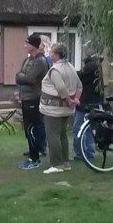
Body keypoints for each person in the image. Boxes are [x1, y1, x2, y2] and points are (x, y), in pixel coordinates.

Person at [40, 42, 82, 174]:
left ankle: (56, 164)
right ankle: (65, 162)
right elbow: (79, 85)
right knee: (62, 135)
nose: (49, 54)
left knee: (53, 136)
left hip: (54, 109)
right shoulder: (70, 67)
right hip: (66, 109)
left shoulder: (55, 70)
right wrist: (76, 99)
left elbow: (61, 88)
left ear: (57, 54)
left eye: (51, 52)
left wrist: (70, 101)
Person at [14, 33, 49, 170]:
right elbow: (19, 76)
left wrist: (22, 77)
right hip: (26, 97)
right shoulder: (28, 60)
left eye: (26, 43)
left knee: (33, 128)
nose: (24, 46)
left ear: (33, 46)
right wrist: (22, 77)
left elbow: (29, 79)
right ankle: (33, 155)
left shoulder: (40, 61)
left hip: (34, 98)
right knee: (28, 129)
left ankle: (35, 158)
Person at [75, 54, 104, 161]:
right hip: (92, 101)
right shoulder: (96, 66)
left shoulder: (91, 66)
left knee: (80, 127)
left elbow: (79, 77)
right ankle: (87, 152)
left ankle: (83, 152)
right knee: (89, 128)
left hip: (87, 103)